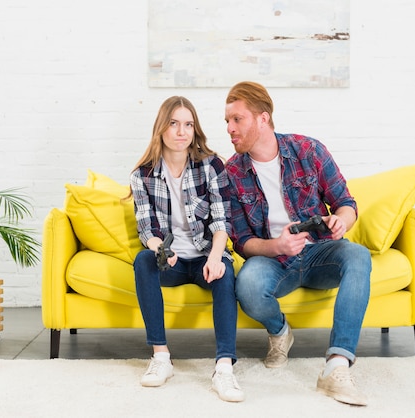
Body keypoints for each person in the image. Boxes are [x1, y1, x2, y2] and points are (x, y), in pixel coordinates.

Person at [224, 81, 371, 406]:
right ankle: (280, 332)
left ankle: (336, 365)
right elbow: (241, 241)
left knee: (358, 256)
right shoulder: (231, 172)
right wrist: (276, 246)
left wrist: (340, 221)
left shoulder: (309, 151)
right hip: (273, 259)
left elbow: (346, 202)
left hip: (319, 252)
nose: (230, 129)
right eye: (227, 122)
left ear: (262, 119)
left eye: (237, 119)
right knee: (246, 284)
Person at [129, 96, 244, 403]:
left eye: (188, 124)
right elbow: (147, 229)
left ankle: (223, 367)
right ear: (161, 129)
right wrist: (159, 250)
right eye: (174, 123)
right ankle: (161, 357)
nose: (182, 131)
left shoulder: (211, 166)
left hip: (206, 257)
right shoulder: (142, 174)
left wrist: (217, 257)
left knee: (226, 274)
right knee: (143, 261)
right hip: (172, 261)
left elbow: (222, 220)